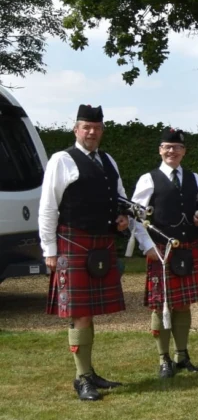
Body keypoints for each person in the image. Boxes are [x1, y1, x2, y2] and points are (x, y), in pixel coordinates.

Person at [39, 104, 130, 401]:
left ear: (102, 130)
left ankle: (89, 373)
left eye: (97, 127)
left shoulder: (108, 160)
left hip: (100, 244)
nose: (91, 132)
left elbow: (120, 198)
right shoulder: (61, 160)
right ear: (76, 130)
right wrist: (49, 250)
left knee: (88, 314)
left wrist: (122, 216)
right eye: (86, 127)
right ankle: (81, 379)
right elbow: (48, 207)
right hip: (72, 242)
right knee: (79, 314)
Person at [129, 127, 198, 378]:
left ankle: (182, 355)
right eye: (167, 147)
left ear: (184, 151)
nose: (172, 151)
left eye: (177, 147)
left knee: (184, 305)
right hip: (161, 250)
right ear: (160, 150)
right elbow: (135, 215)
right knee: (160, 305)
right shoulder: (149, 179)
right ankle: (163, 358)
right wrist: (147, 246)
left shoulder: (193, 178)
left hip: (187, 248)